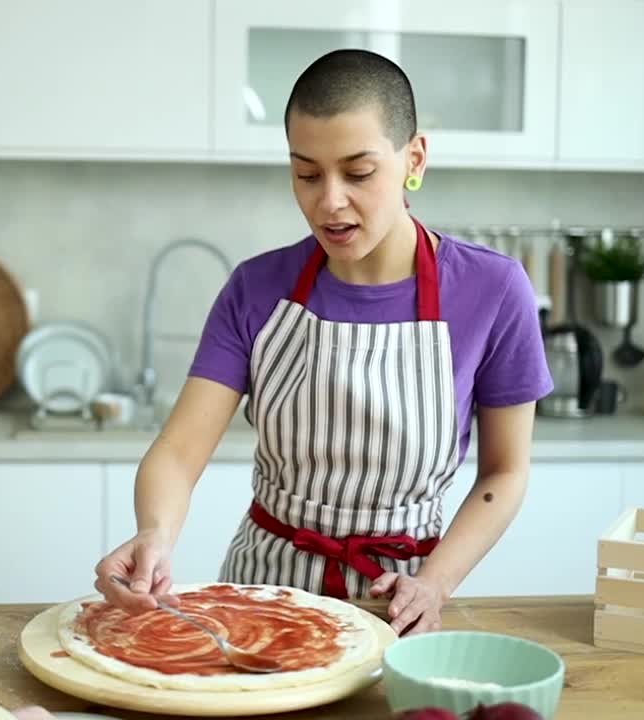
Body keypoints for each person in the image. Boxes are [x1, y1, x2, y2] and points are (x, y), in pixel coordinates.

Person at [93, 48, 553, 636]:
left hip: (401, 606)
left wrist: (435, 582)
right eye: (306, 174)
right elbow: (179, 452)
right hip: (260, 597)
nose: (329, 200)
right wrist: (155, 532)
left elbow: (504, 472)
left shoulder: (492, 290)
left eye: (358, 173)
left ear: (414, 158)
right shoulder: (257, 289)